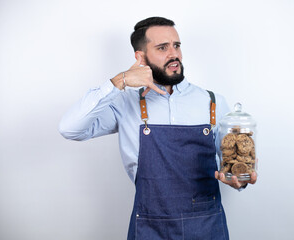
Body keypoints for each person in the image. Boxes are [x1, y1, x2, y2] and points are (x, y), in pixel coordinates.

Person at [59, 16, 257, 240]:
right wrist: (119, 81)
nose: (174, 54)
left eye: (177, 45)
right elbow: (70, 128)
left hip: (207, 228)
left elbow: (233, 166)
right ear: (140, 57)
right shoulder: (126, 104)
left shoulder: (213, 102)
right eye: (162, 47)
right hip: (149, 230)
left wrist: (239, 181)